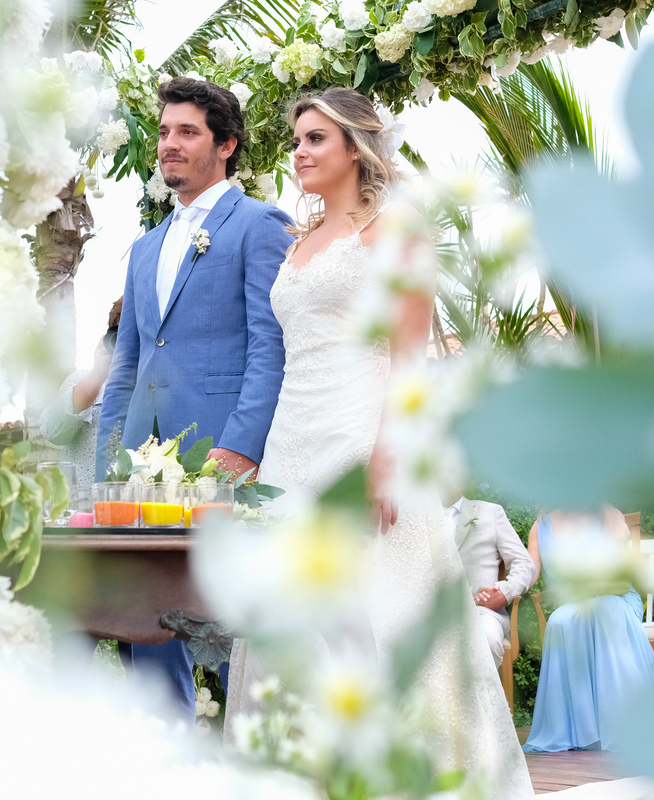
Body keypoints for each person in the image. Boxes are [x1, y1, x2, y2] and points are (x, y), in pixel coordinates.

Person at [223, 88, 533, 797]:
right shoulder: (298, 243)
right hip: (290, 445)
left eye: (315, 139)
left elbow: (410, 359)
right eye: (296, 140)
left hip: (360, 437)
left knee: (376, 614)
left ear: (356, 147)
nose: (299, 152)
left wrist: (386, 459)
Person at [96, 76, 293, 719]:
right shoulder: (144, 247)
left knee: (235, 618)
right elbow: (127, 364)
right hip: (139, 463)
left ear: (226, 145)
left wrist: (241, 446)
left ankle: (264, 749)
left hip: (218, 452)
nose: (169, 144)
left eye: (187, 132)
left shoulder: (260, 225)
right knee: (145, 620)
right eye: (163, 132)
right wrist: (107, 462)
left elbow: (269, 345)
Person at [522, 508, 654, 753]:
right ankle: (582, 733)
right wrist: (505, 588)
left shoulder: (606, 513)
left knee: (604, 611)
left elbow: (620, 537)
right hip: (574, 606)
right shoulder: (539, 526)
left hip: (617, 599)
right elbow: (529, 573)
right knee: (559, 620)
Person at [448, 495, 537, 669]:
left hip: (482, 611)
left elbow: (524, 563)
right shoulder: (417, 519)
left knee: (485, 638)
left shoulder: (491, 512)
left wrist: (504, 593)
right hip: (430, 614)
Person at [39, 299, 121, 486]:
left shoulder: (160, 385)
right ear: (110, 338)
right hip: (85, 502)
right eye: (121, 334)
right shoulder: (82, 379)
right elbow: (52, 431)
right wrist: (98, 375)